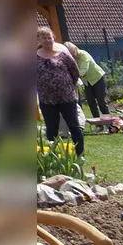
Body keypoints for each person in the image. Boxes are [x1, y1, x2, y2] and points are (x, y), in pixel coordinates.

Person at [35, 26, 84, 157]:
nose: (47, 40)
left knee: (74, 126)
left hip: (67, 97)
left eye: (49, 37)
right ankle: (53, 155)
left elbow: (75, 71)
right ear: (38, 40)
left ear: (53, 38)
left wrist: (68, 86)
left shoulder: (63, 53)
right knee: (51, 129)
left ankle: (80, 154)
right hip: (47, 99)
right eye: (44, 38)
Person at [64, 41, 108, 120]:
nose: (73, 55)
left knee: (101, 102)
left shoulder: (84, 55)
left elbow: (83, 72)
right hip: (87, 83)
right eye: (70, 54)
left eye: (73, 52)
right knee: (91, 103)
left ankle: (109, 123)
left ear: (76, 48)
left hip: (97, 78)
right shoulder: (70, 59)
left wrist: (72, 75)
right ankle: (98, 124)